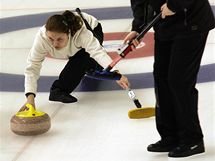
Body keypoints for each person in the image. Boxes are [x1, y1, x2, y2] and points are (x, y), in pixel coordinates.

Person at [124, 0, 215, 158]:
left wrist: (174, 5)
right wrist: (138, 27)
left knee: (179, 81)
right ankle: (170, 136)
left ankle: (192, 139)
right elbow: (140, 2)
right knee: (162, 78)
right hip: (165, 25)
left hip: (191, 22)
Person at [20, 10, 130, 111]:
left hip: (93, 28)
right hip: (74, 47)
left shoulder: (82, 33)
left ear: (69, 33)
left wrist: (116, 74)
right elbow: (32, 67)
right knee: (83, 62)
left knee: (86, 58)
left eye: (59, 39)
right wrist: (30, 98)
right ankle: (58, 92)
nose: (54, 44)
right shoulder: (41, 39)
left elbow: (97, 52)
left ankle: (90, 67)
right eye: (51, 39)